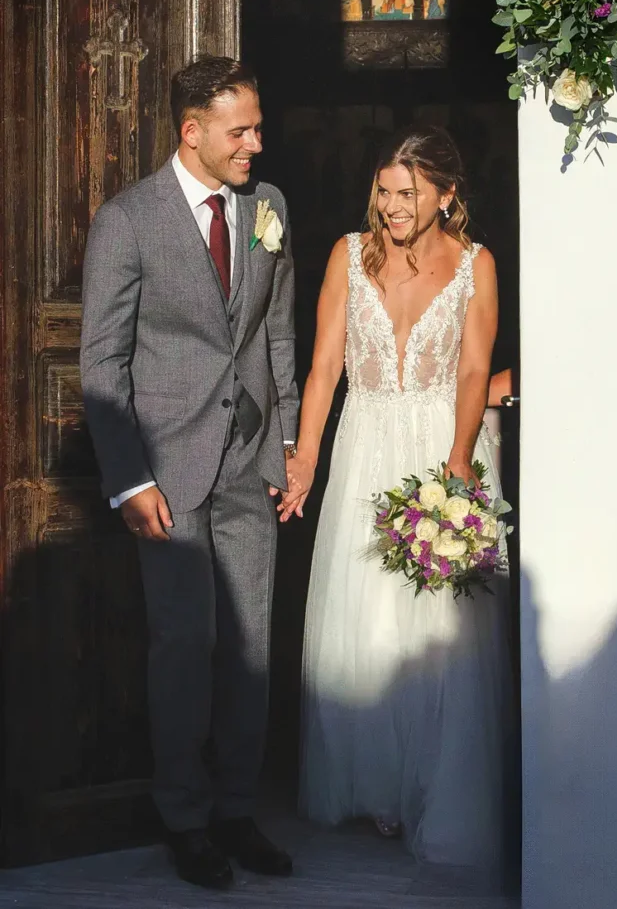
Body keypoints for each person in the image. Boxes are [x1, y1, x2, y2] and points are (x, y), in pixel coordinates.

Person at [78, 55, 299, 891]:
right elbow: (103, 360)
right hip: (166, 473)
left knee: (251, 648)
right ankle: (185, 819)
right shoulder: (128, 220)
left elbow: (276, 334)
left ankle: (239, 811)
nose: (256, 143)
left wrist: (281, 449)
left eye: (258, 126)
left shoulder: (269, 207)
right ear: (192, 130)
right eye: (240, 129)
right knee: (185, 648)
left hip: (249, 462)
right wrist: (130, 481)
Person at [282, 125, 510, 870]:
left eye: (407, 193)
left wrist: (456, 465)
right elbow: (322, 370)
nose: (391, 207)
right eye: (383, 192)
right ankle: (378, 785)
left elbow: (476, 371)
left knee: (440, 635)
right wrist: (308, 455)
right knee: (368, 620)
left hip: (445, 444)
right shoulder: (349, 257)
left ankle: (434, 789)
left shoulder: (478, 265)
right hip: (365, 446)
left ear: (449, 193)